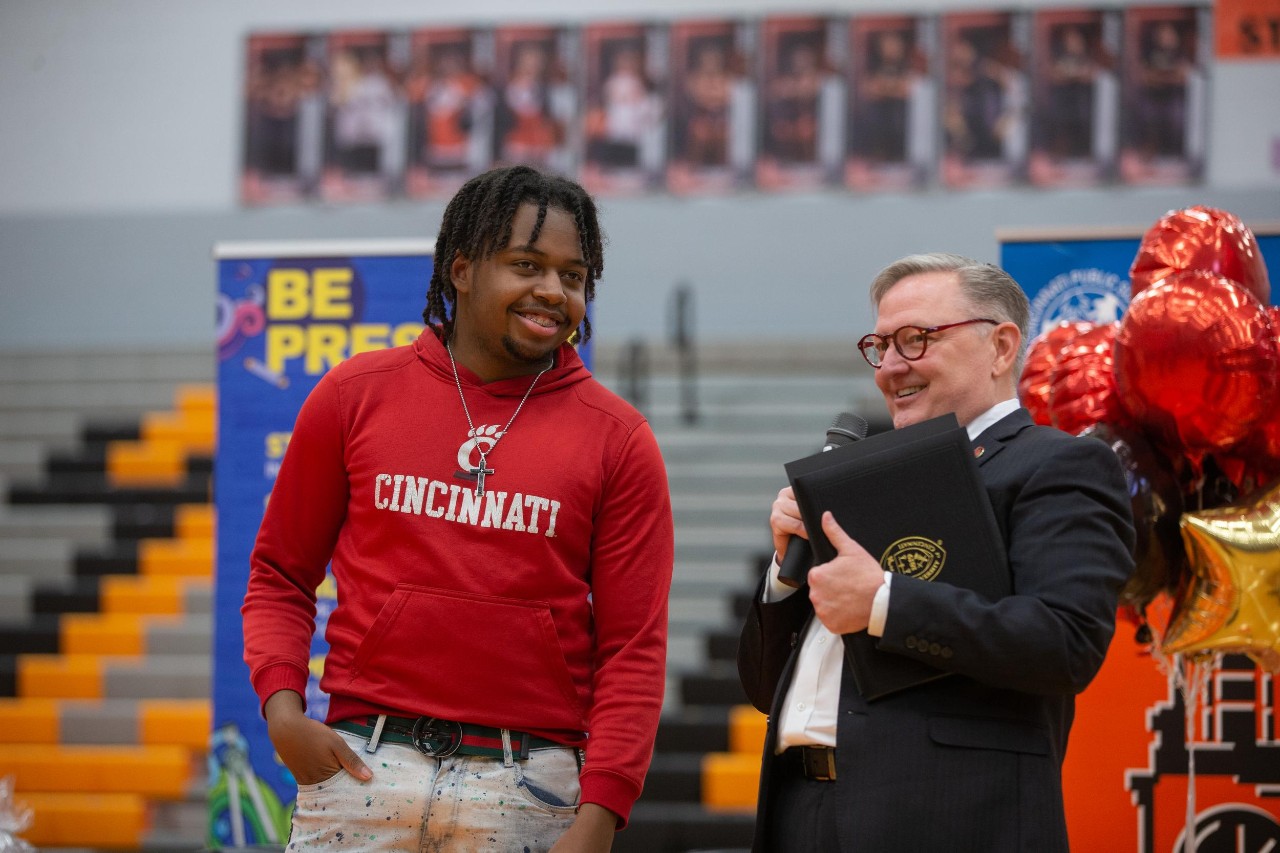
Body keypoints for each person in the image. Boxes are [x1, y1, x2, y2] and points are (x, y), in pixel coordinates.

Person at [242, 165, 675, 851]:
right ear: (462, 269)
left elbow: (633, 649)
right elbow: (279, 575)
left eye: (573, 274)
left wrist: (599, 815)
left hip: (529, 787)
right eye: (527, 264)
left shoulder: (619, 438)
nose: (552, 292)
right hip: (361, 767)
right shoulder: (354, 395)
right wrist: (283, 711)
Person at [738, 252, 1135, 852]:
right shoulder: (866, 480)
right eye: (880, 345)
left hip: (950, 818)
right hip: (801, 810)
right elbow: (765, 688)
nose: (890, 367)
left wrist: (882, 603)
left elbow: (1065, 642)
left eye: (916, 340)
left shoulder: (1058, 464)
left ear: (1002, 347)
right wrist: (785, 578)